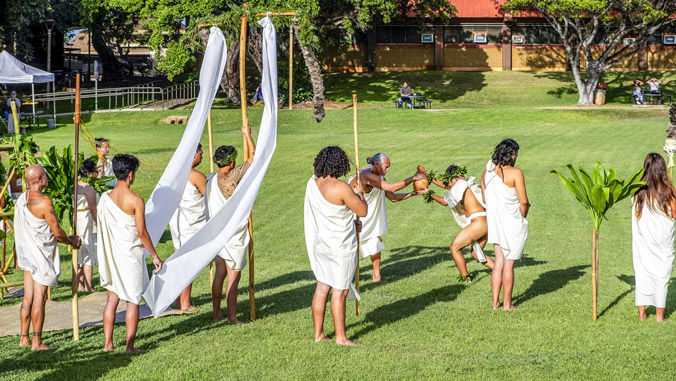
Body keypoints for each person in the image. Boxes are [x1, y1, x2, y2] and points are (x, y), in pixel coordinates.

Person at [97, 154, 163, 352]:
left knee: (112, 299)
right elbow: (142, 233)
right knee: (133, 300)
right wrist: (155, 255)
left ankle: (108, 344)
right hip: (130, 255)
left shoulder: (105, 198)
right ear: (131, 174)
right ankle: (129, 346)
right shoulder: (135, 200)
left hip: (112, 255)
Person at [304, 146, 367, 346]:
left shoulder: (312, 183)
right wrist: (360, 195)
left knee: (323, 286)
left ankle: (318, 334)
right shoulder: (341, 187)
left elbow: (337, 212)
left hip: (321, 244)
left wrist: (351, 218)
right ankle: (340, 337)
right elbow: (363, 211)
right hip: (340, 247)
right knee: (340, 291)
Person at [15, 164, 81, 350]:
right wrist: (72, 241)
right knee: (39, 298)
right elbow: (57, 232)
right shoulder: (44, 202)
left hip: (27, 255)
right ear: (41, 180)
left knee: (27, 297)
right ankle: (36, 342)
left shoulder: (21, 199)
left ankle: (23, 338)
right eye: (44, 176)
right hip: (40, 256)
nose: (46, 178)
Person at [348, 153, 426, 282]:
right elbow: (393, 187)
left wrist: (413, 193)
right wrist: (413, 178)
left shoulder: (379, 178)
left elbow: (393, 197)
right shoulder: (366, 176)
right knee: (351, 247)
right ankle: (344, 276)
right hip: (355, 217)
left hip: (368, 219)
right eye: (386, 167)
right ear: (376, 164)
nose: (387, 170)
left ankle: (376, 276)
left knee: (375, 242)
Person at [207, 123, 255, 324]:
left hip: (216, 231)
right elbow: (254, 157)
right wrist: (248, 135)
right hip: (232, 232)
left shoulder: (210, 178)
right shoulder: (231, 178)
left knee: (219, 273)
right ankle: (232, 317)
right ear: (232, 161)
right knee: (234, 275)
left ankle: (217, 313)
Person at [482, 139, 529, 311]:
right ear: (512, 154)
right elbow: (523, 202)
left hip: (495, 222)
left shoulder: (487, 172)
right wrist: (522, 216)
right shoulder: (516, 173)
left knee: (499, 262)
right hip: (512, 222)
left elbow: (485, 197)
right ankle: (507, 305)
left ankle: (495, 303)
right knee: (509, 264)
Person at [426, 164, 495, 282]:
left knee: (455, 248)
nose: (448, 184)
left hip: (478, 223)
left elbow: (445, 202)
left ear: (454, 178)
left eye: (449, 181)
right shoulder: (465, 183)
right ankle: (499, 271)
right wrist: (430, 178)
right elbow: (448, 187)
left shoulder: (460, 184)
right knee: (476, 254)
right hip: (486, 223)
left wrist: (428, 193)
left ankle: (465, 278)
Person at [631, 153, 676, 322]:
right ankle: (659, 317)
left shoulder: (637, 188)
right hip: (662, 238)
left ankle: (642, 314)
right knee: (662, 275)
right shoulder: (668, 189)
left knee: (642, 271)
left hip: (643, 238)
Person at [169, 143, 207, 311]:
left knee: (180, 260)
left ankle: (180, 300)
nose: (202, 154)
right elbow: (209, 197)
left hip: (178, 223)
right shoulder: (196, 176)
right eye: (200, 152)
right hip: (189, 222)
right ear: (193, 155)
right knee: (187, 262)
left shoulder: (174, 174)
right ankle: (184, 303)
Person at [76, 159, 100, 292]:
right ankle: (88, 286)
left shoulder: (75, 185)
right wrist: (98, 223)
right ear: (90, 173)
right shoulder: (89, 188)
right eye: (96, 171)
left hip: (77, 219)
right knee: (88, 251)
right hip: (86, 220)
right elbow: (93, 209)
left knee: (80, 251)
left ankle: (80, 284)